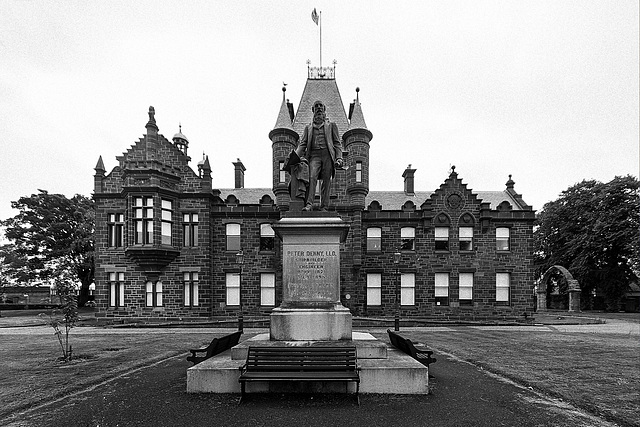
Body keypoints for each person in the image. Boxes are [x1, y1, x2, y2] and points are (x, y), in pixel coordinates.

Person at [295, 100, 344, 211]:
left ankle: (324, 207)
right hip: (314, 155)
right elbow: (302, 144)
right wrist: (294, 157)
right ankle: (309, 204)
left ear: (324, 109)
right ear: (313, 110)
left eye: (320, 106)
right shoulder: (308, 128)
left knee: (326, 181)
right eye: (316, 106)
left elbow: (337, 143)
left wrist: (339, 157)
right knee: (312, 177)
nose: (318, 108)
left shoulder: (331, 125)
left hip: (327, 155)